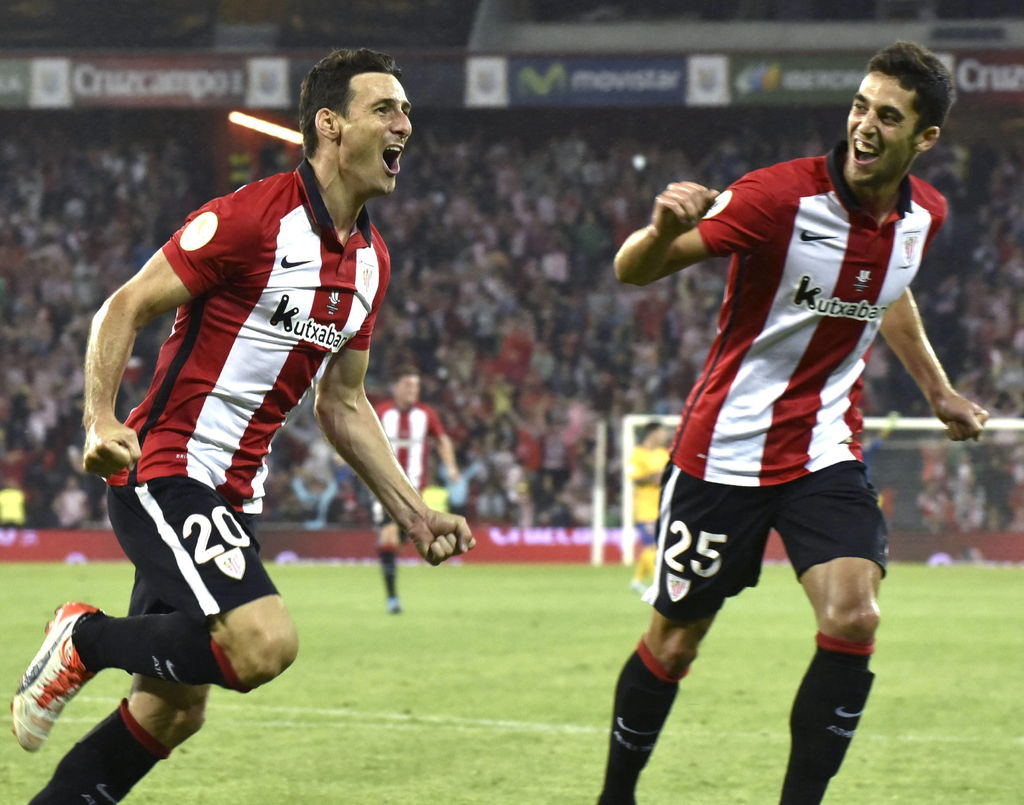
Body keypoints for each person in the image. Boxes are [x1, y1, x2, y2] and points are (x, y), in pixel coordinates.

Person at [11, 48, 474, 804]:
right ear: (331, 125)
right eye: (385, 109)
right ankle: (82, 638)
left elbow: (342, 403)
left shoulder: (371, 263)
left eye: (407, 111)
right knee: (263, 644)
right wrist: (98, 418)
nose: (404, 125)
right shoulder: (250, 218)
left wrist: (414, 513)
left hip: (233, 495)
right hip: (168, 468)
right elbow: (123, 306)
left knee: (169, 712)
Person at [596, 41, 988, 805]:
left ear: (926, 138)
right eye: (860, 107)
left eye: (889, 116)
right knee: (673, 642)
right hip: (723, 452)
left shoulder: (925, 216)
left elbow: (889, 287)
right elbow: (634, 270)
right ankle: (615, 797)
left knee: (855, 615)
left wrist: (938, 390)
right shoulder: (775, 198)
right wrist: (659, 229)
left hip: (823, 451)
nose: (865, 126)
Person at [372, 365, 461, 613]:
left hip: (414, 492)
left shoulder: (426, 414)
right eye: (408, 385)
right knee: (388, 535)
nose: (413, 390)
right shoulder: (381, 413)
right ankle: (392, 599)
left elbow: (442, 440)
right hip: (385, 489)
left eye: (416, 386)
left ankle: (403, 550)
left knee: (400, 540)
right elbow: (362, 437)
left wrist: (451, 466)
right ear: (395, 387)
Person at [627, 423, 669, 594]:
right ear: (652, 433)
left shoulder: (663, 454)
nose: (665, 436)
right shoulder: (637, 454)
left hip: (663, 506)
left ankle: (637, 581)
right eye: (662, 432)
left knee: (655, 546)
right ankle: (659, 583)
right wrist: (654, 476)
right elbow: (635, 478)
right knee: (652, 546)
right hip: (645, 509)